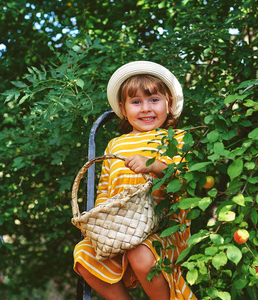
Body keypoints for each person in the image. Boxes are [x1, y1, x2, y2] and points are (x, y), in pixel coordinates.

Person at [73, 61, 196, 300]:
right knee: (83, 256)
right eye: (136, 102)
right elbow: (105, 191)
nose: (146, 109)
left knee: (139, 252)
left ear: (168, 103)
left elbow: (185, 180)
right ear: (123, 107)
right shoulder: (115, 145)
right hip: (120, 229)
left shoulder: (176, 138)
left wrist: (153, 165)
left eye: (154, 100)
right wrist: (100, 222)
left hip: (164, 227)